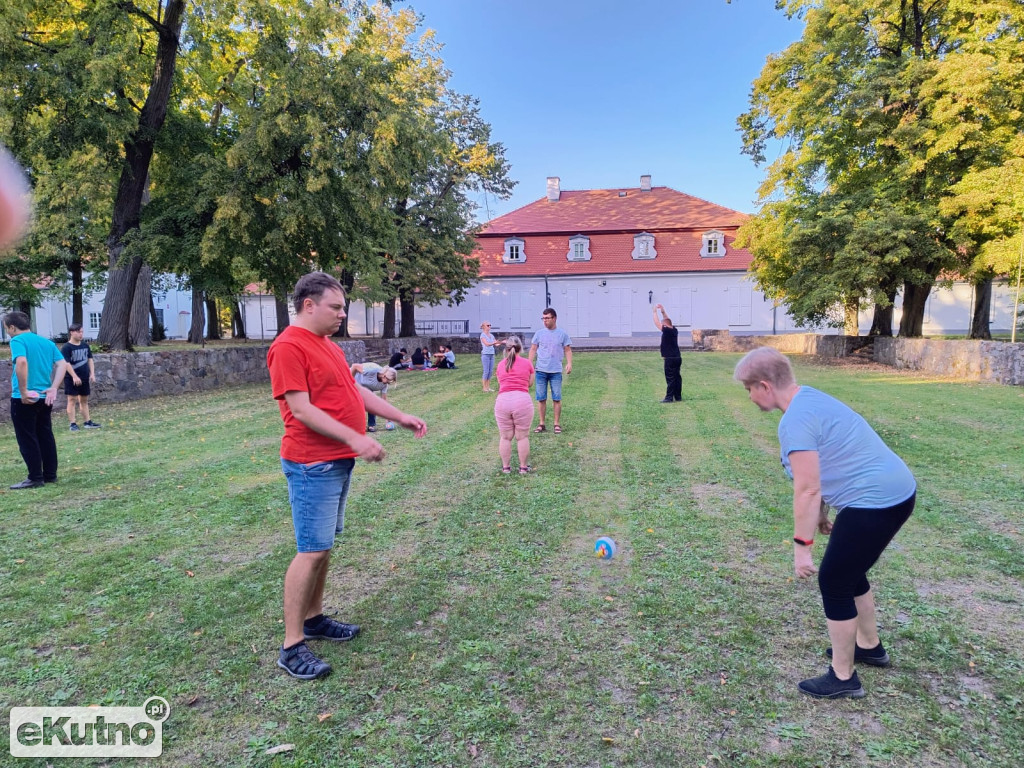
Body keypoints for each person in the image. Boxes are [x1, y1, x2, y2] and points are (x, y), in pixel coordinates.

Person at [267, 272, 427, 680]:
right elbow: (301, 410)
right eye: (335, 307)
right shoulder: (287, 347)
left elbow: (356, 393)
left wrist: (400, 415)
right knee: (311, 549)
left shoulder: (328, 346)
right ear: (308, 305)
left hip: (336, 460)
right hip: (311, 463)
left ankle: (315, 619)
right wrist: (357, 439)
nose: (342, 314)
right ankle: (291, 645)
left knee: (323, 547)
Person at [733, 347, 916, 699]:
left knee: (834, 580)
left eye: (749, 389)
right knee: (849, 570)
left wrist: (802, 549)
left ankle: (843, 678)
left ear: (765, 386)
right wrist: (823, 515)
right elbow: (832, 460)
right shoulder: (810, 398)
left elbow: (807, 488)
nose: (750, 396)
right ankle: (869, 646)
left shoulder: (795, 421)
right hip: (897, 492)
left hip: (875, 502)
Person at [4, 311, 67, 489]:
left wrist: (23, 391)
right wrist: (54, 387)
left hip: (24, 398)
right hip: (44, 397)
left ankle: (35, 478)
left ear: (12, 327)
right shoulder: (46, 342)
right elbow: (62, 364)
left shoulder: (17, 341)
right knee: (45, 434)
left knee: (27, 437)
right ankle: (50, 475)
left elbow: (22, 362)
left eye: (6, 328)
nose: (7, 332)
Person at [493, 336, 535, 474]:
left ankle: (506, 468)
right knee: (522, 436)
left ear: (506, 349)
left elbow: (500, 382)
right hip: (522, 400)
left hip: (503, 401)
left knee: (505, 437)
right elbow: (529, 383)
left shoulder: (500, 365)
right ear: (520, 348)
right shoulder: (527, 364)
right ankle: (523, 467)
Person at [528, 307, 572, 434]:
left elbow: (567, 350)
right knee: (541, 398)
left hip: (556, 371)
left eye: (547, 318)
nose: (545, 321)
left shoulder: (562, 334)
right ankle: (541, 424)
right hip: (541, 370)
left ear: (554, 318)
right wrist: (529, 364)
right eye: (543, 318)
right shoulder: (539, 333)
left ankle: (556, 424)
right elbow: (533, 349)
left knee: (556, 398)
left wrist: (569, 363)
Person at [62, 322, 101, 431]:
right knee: (72, 399)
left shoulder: (85, 345)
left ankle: (87, 422)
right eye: (78, 332)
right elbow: (66, 363)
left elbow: (90, 360)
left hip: (84, 378)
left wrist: (92, 374)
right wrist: (74, 376)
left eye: (82, 332)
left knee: (84, 400)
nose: (81, 334)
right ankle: (73, 424)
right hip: (71, 378)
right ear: (71, 333)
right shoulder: (66, 347)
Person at [349, 362, 397, 432]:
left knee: (372, 404)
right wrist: (349, 382)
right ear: (384, 375)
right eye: (389, 380)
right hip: (351, 380)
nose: (388, 383)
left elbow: (384, 402)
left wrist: (388, 418)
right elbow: (354, 366)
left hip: (364, 388)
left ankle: (371, 425)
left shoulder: (384, 385)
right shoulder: (372, 370)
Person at [653, 303, 682, 402]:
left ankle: (669, 397)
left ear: (664, 325)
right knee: (677, 377)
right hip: (677, 357)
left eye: (663, 323)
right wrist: (663, 311)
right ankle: (678, 396)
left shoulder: (666, 330)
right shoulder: (674, 330)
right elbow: (668, 320)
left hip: (669, 358)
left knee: (670, 378)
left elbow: (657, 323)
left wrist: (654, 312)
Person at [479, 322, 502, 392]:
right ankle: (484, 388)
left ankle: (488, 387)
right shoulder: (482, 335)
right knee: (486, 371)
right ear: (484, 327)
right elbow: (487, 344)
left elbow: (496, 344)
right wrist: (494, 343)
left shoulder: (491, 335)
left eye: (490, 325)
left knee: (490, 371)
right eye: (488, 325)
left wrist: (501, 342)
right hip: (485, 355)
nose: (489, 326)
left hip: (492, 354)